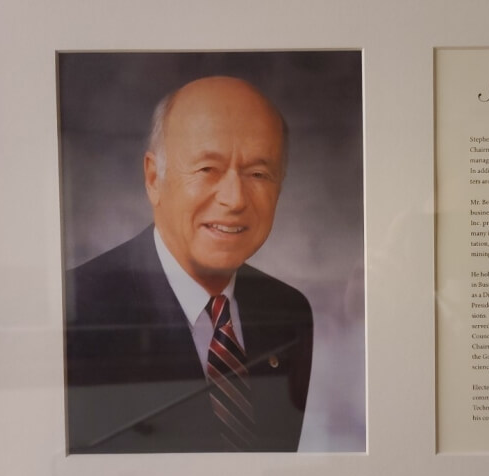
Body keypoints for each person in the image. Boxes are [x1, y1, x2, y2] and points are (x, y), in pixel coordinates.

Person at [64, 77, 313, 453]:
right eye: (207, 169)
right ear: (153, 178)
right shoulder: (78, 311)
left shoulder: (289, 311)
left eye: (258, 174)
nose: (234, 199)